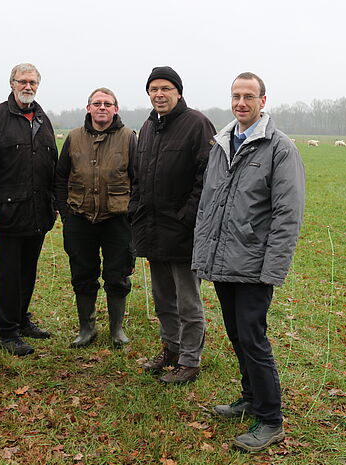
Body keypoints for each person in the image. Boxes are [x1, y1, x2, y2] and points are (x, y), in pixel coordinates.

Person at [192, 72, 305, 452]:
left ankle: (271, 418)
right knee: (237, 335)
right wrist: (204, 255)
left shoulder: (279, 148)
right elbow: (209, 204)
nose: (241, 103)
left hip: (255, 267)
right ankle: (250, 399)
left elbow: (287, 215)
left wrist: (272, 269)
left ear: (263, 101)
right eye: (236, 96)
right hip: (224, 262)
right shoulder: (221, 145)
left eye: (249, 97)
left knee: (254, 339)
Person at [130, 66, 216, 384]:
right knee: (163, 298)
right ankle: (171, 348)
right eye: (153, 89)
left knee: (187, 300)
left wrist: (187, 217)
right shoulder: (149, 126)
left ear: (178, 92)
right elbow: (139, 175)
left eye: (166, 88)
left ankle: (190, 361)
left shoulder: (197, 124)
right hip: (152, 229)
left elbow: (206, 176)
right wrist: (135, 209)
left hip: (182, 232)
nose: (159, 94)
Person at [0, 63, 58, 356]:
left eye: (33, 82)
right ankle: (7, 330)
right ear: (11, 83)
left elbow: (52, 164)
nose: (28, 86)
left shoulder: (41, 118)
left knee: (28, 270)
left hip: (37, 213)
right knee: (8, 273)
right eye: (22, 81)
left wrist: (54, 204)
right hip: (7, 214)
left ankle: (22, 320)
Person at [54, 88, 137, 348]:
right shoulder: (74, 137)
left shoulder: (128, 138)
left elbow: (138, 179)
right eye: (97, 103)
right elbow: (60, 177)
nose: (102, 107)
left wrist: (133, 213)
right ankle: (86, 329)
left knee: (117, 275)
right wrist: (67, 214)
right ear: (88, 108)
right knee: (82, 274)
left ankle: (116, 330)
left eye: (107, 104)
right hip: (80, 218)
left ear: (116, 109)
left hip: (118, 219)